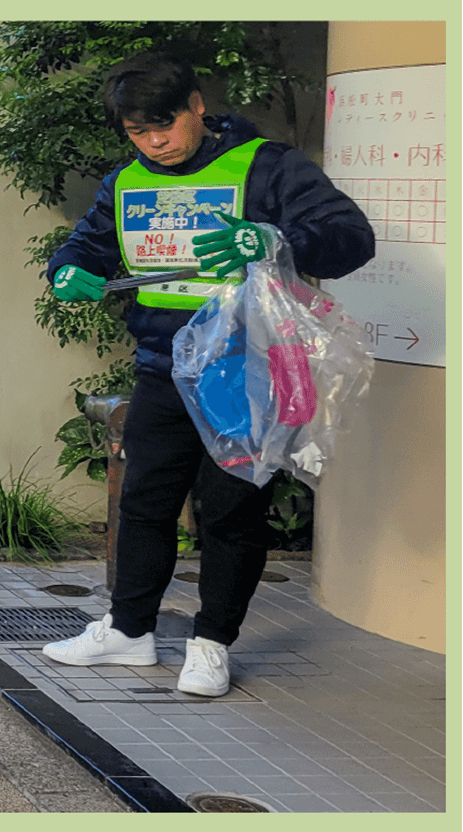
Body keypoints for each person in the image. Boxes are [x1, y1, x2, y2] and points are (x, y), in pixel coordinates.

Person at [40, 52, 374, 697]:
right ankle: (129, 630)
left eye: (165, 124)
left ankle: (213, 642)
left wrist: (271, 238)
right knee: (143, 505)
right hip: (162, 368)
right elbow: (87, 244)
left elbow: (350, 236)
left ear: (197, 105)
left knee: (231, 513)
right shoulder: (125, 184)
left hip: (247, 372)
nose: (156, 142)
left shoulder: (266, 166)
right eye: (139, 132)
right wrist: (65, 267)